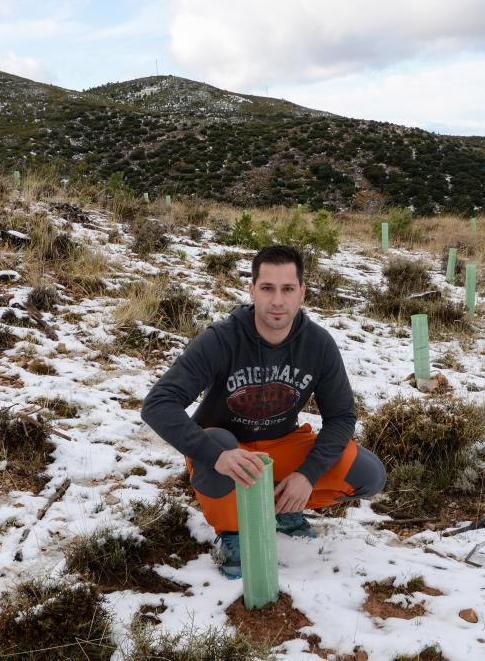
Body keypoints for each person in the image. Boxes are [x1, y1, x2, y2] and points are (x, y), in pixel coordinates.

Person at [141, 244, 387, 578]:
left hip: (280, 447)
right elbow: (158, 404)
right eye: (267, 288)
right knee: (222, 443)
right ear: (252, 289)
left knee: (369, 475)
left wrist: (308, 474)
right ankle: (233, 533)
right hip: (223, 453)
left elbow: (342, 416)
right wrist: (213, 454)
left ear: (302, 292)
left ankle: (284, 507)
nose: (277, 301)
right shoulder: (222, 339)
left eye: (287, 289)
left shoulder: (318, 344)